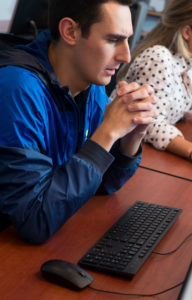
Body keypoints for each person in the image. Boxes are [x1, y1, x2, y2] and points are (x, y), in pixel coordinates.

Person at [0, 0, 157, 244]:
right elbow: (34, 220)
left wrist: (130, 138)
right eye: (113, 40)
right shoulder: (18, 89)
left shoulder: (91, 84)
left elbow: (102, 183)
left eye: (127, 40)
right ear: (70, 32)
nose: (126, 55)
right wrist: (106, 132)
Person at [115, 0, 192, 173]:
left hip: (147, 152)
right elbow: (148, 124)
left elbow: (183, 112)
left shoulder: (184, 58)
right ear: (187, 32)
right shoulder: (159, 57)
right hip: (125, 157)